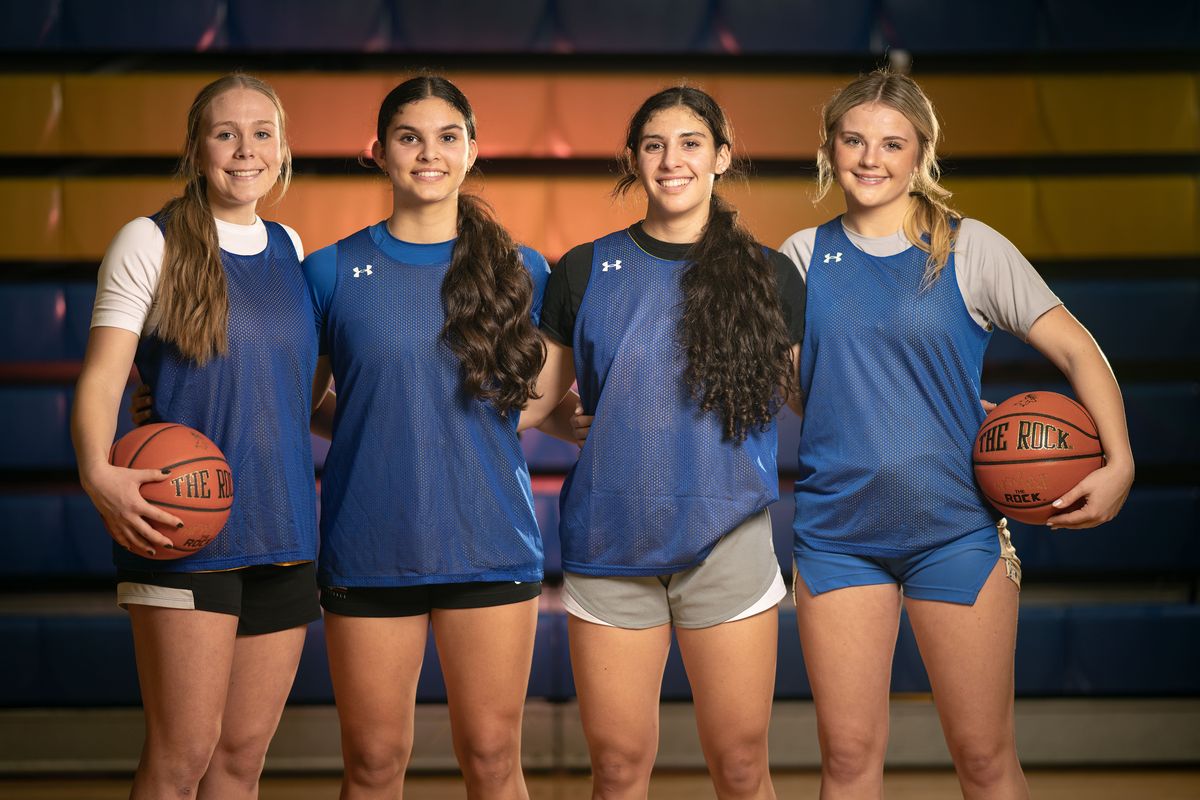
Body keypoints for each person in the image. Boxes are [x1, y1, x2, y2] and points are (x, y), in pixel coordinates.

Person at [779, 68, 1134, 798]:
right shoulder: (802, 258)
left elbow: (1078, 350)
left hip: (954, 530)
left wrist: (1120, 461)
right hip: (838, 534)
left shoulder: (969, 248)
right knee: (846, 762)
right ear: (830, 149)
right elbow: (798, 391)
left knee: (982, 758)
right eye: (854, 140)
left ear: (920, 155)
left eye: (891, 143)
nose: (871, 158)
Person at [303, 75, 580, 799]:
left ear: (472, 150)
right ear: (379, 152)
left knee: (492, 762)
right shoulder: (330, 271)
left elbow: (537, 399)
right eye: (409, 137)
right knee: (372, 766)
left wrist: (550, 416)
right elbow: (304, 400)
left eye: (447, 137)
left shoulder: (523, 271)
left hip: (487, 544)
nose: (430, 153)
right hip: (369, 546)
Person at [535, 86, 805, 800]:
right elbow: (534, 399)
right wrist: (567, 419)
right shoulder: (584, 269)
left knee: (743, 768)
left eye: (690, 143)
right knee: (619, 769)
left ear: (721, 156)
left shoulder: (771, 274)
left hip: (729, 544)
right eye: (653, 145)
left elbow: (818, 395)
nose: (671, 159)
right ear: (633, 159)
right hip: (610, 543)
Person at [70, 74, 319, 799]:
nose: (246, 150)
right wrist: (98, 472)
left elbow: (289, 388)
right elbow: (102, 379)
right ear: (196, 147)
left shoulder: (290, 245)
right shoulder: (148, 239)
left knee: (240, 762)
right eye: (226, 133)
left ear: (283, 148)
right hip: (186, 522)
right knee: (182, 758)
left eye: (262, 133)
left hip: (285, 529)